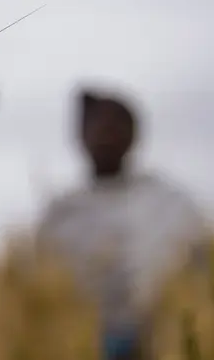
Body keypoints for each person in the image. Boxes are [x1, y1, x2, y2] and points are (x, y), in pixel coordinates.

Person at [35, 87, 211, 360]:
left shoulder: (170, 204)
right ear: (80, 136)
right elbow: (39, 286)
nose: (105, 137)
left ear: (134, 135)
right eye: (96, 127)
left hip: (163, 343)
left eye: (114, 127)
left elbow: (197, 273)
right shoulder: (61, 213)